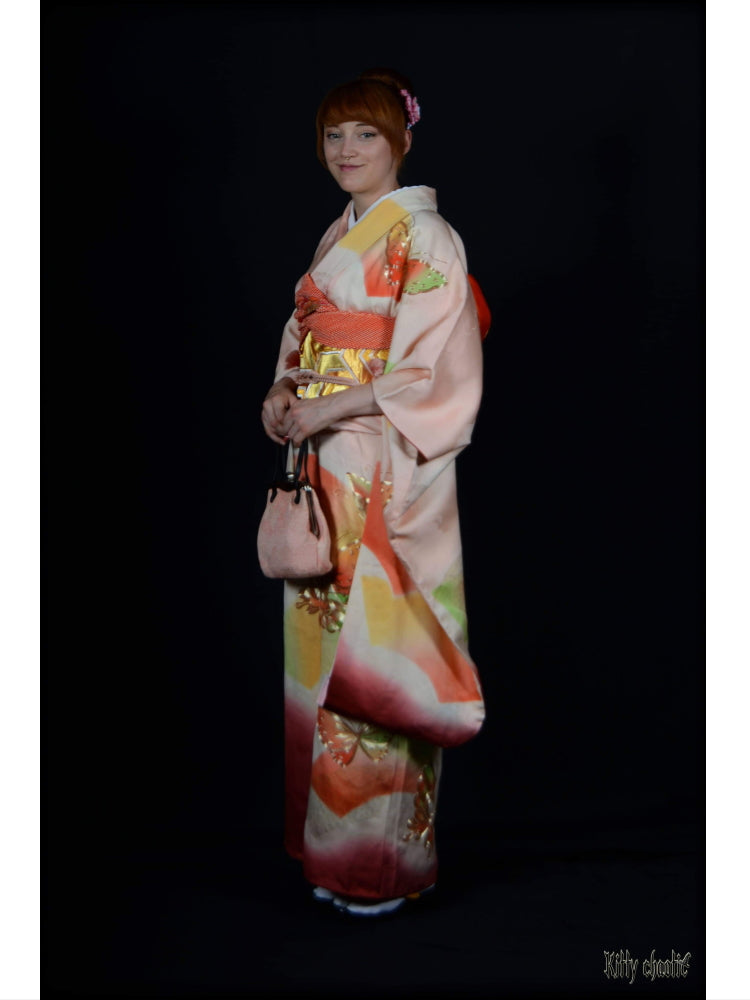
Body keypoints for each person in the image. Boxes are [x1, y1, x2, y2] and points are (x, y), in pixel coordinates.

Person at [260, 68, 487, 917]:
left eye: (366, 134)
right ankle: (331, 852)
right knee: (322, 658)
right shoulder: (343, 233)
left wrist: (328, 404)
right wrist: (283, 390)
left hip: (386, 470)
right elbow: (305, 333)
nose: (348, 150)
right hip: (325, 466)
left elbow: (434, 371)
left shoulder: (427, 237)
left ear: (402, 141)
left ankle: (380, 867)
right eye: (334, 136)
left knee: (377, 656)